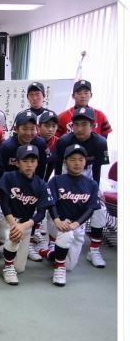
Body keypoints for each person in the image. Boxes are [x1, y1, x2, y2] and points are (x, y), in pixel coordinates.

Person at [52, 106, 110, 268]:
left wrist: (95, 191)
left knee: (99, 209)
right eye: (76, 124)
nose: (79, 128)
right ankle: (51, 243)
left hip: (88, 179)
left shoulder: (100, 142)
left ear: (93, 126)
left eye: (84, 124)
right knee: (53, 207)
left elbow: (97, 169)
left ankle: (94, 250)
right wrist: (56, 189)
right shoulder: (64, 141)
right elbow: (58, 168)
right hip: (65, 178)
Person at [0, 145, 54, 285]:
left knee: (20, 268)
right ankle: (8, 268)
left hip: (26, 225)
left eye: (33, 161)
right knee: (14, 237)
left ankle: (4, 249)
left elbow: (41, 214)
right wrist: (15, 225)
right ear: (17, 163)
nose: (29, 165)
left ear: (37, 163)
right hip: (7, 221)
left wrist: (23, 226)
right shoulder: (9, 177)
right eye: (25, 161)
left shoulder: (41, 184)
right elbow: (5, 205)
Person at [47, 144, 101, 286]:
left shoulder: (92, 184)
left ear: (85, 161)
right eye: (72, 159)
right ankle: (59, 269)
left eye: (80, 159)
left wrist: (77, 223)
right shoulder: (56, 180)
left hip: (77, 225)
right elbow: (51, 203)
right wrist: (57, 220)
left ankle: (50, 253)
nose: (77, 163)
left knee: (70, 266)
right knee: (66, 233)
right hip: (56, 222)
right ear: (65, 162)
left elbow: (91, 209)